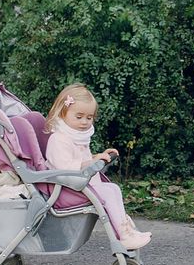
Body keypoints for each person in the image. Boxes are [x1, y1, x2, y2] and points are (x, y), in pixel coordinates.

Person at [44, 83, 151, 251]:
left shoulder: (77, 137)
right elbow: (66, 167)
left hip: (79, 186)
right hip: (64, 190)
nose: (84, 122)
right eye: (78, 117)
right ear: (63, 113)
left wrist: (97, 157)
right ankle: (124, 236)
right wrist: (92, 162)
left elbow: (81, 159)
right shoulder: (59, 139)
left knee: (113, 188)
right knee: (108, 192)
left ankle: (126, 230)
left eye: (89, 117)